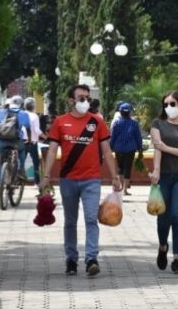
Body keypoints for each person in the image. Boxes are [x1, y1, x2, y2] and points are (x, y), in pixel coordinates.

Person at [39, 84, 122, 277]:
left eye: (88, 98)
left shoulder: (97, 122)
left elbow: (107, 150)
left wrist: (114, 175)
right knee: (70, 221)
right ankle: (71, 259)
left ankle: (91, 258)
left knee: (91, 219)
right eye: (81, 98)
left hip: (91, 180)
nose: (86, 101)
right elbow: (52, 150)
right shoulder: (60, 122)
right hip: (68, 180)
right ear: (71, 101)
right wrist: (46, 176)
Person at [149, 91, 178, 274]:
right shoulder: (157, 124)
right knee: (163, 218)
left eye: (173, 103)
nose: (169, 107)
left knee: (177, 215)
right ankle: (163, 246)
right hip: (164, 177)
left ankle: (177, 258)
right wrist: (156, 170)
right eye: (166, 104)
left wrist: (168, 148)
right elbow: (157, 148)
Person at [0, 95, 31, 199]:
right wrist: (29, 141)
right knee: (21, 153)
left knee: (2, 161)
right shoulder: (23, 113)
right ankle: (20, 171)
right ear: (21, 104)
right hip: (16, 141)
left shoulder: (3, 112)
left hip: (2, 141)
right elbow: (28, 128)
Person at [110, 102, 142, 196]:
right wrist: (140, 149)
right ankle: (125, 190)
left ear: (120, 112)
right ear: (129, 112)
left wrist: (110, 147)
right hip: (130, 149)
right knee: (127, 168)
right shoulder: (134, 123)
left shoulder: (116, 123)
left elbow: (113, 137)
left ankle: (120, 188)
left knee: (120, 168)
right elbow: (138, 137)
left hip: (118, 149)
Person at [24, 97, 45, 185]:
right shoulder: (34, 116)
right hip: (32, 143)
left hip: (23, 142)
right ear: (33, 106)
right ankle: (37, 182)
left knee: (20, 162)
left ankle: (16, 180)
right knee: (36, 163)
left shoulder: (22, 114)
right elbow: (36, 130)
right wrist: (45, 137)